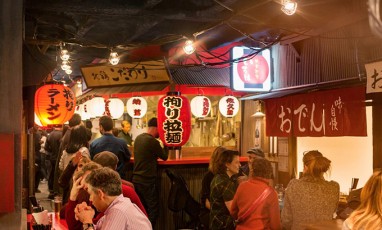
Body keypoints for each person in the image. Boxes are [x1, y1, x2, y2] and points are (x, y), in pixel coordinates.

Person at [74, 167, 152, 229]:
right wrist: (86, 217)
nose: (90, 199)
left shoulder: (118, 211)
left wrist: (87, 221)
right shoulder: (119, 205)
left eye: (90, 194)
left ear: (100, 194)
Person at [281, 150, 339, 230]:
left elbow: (286, 221)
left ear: (305, 167)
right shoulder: (334, 188)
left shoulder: (294, 185)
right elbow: (333, 213)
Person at [132, 117, 169, 228]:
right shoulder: (152, 141)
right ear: (156, 128)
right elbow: (164, 156)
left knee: (141, 209)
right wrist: (165, 141)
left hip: (136, 180)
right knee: (153, 210)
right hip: (147, 181)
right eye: (160, 130)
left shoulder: (138, 138)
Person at [230, 158, 281, 229]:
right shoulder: (271, 193)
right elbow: (275, 226)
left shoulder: (242, 186)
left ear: (252, 171)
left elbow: (233, 212)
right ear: (269, 173)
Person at [209, 149, 240, 230]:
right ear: (227, 165)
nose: (240, 165)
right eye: (236, 162)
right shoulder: (226, 183)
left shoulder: (218, 177)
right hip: (224, 225)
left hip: (215, 223)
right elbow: (234, 212)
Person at [199, 146, 227, 228]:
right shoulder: (209, 176)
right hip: (209, 212)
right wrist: (221, 213)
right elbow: (207, 203)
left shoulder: (228, 175)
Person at [45, 125, 63, 199]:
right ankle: (57, 192)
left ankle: (51, 191)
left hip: (52, 158)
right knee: (58, 175)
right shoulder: (62, 135)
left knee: (51, 174)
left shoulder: (50, 135)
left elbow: (46, 148)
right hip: (59, 158)